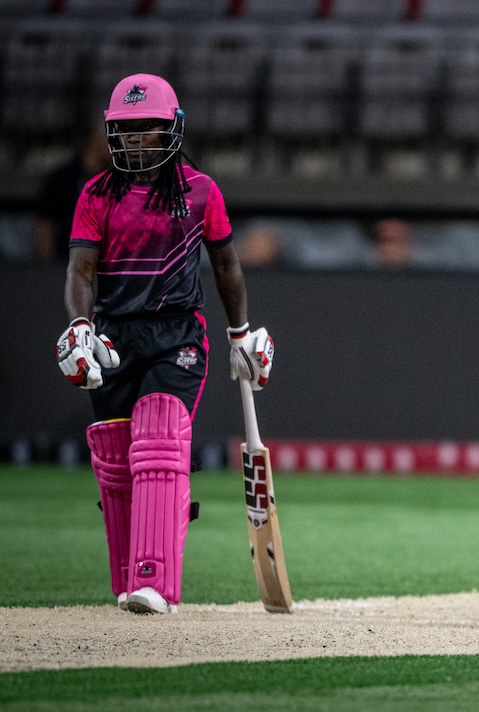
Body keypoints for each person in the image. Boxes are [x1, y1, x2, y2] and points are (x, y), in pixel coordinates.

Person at [55, 73, 274, 615]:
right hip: (114, 335)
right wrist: (81, 329)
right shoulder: (95, 194)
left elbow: (226, 264)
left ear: (171, 130)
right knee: (115, 458)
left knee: (158, 438)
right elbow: (80, 271)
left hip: (177, 334)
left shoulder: (201, 191)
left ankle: (157, 583)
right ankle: (129, 581)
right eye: (125, 131)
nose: (134, 141)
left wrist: (240, 335)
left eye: (147, 129)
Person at [32, 126, 110, 262]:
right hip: (65, 264)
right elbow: (44, 224)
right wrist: (47, 266)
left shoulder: (117, 180)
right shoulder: (61, 179)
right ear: (96, 140)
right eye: (113, 140)